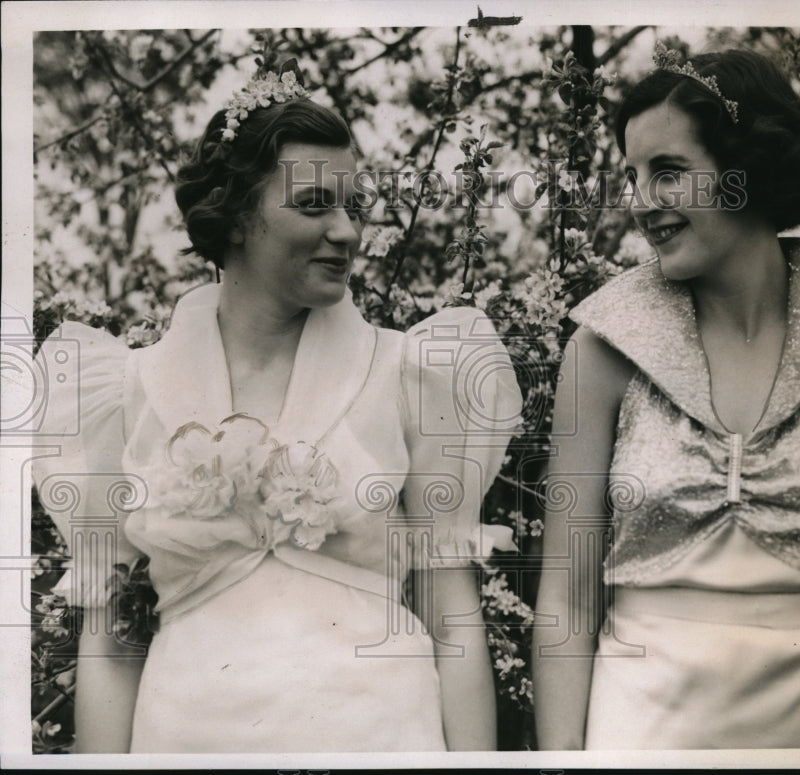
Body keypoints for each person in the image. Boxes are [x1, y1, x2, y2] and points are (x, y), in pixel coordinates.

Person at [33, 62, 522, 753]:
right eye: (315, 204)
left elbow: (453, 619)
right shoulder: (126, 391)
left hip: (379, 740)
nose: (347, 232)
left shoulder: (411, 374)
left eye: (353, 207)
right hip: (186, 745)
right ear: (236, 214)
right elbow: (112, 640)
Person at [533, 45, 800, 749]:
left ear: (746, 170)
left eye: (668, 171)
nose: (640, 202)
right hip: (642, 739)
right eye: (632, 175)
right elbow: (567, 602)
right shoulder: (601, 352)